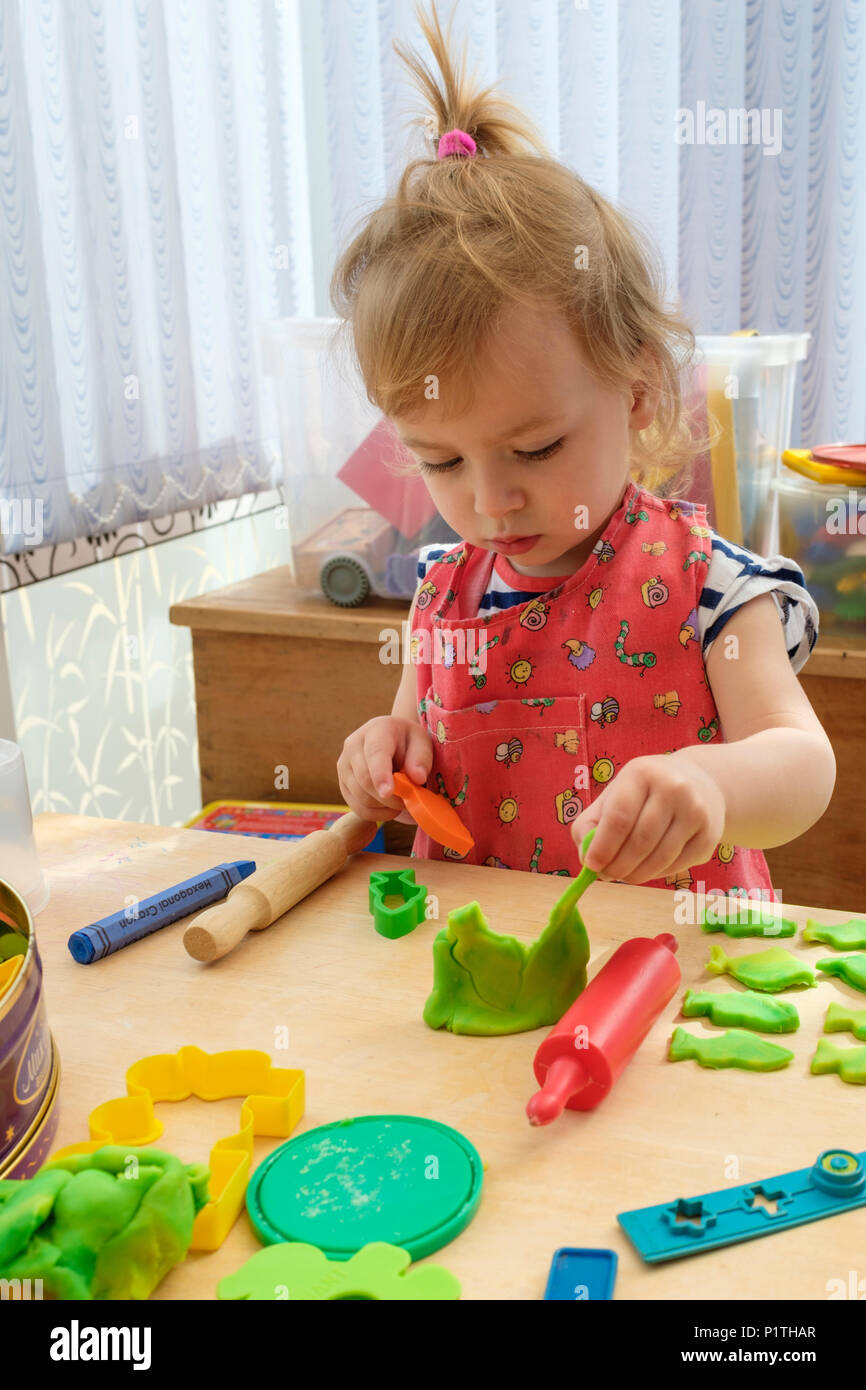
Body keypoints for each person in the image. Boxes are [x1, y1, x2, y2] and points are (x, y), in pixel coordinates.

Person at [334, 1, 834, 896]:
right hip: (489, 988)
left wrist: (713, 784)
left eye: (535, 449)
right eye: (442, 461)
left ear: (638, 389)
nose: (490, 501)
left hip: (679, 987)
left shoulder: (708, 587)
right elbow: (418, 744)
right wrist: (385, 753)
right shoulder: (442, 602)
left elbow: (804, 768)